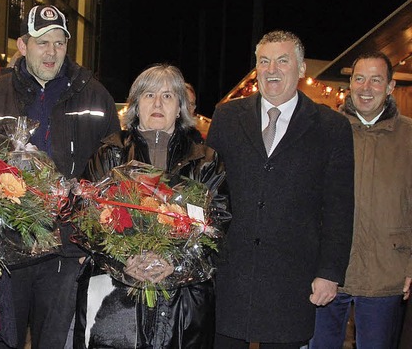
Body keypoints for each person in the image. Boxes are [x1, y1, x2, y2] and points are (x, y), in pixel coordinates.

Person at [0, 4, 121, 348]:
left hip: (66, 251)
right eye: (42, 42)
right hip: (6, 248)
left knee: (56, 341)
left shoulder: (96, 97)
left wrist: (89, 239)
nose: (52, 52)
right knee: (1, 338)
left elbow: (110, 175)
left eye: (59, 43)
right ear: (22, 45)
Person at [205, 30, 355, 348]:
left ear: (301, 69)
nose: (272, 69)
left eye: (282, 61)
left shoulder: (332, 128)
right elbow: (207, 191)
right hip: (231, 275)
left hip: (292, 281)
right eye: (264, 61)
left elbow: (339, 207)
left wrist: (330, 271)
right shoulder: (227, 116)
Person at [74, 64, 226, 348]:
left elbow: (218, 224)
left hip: (183, 301)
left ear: (180, 107)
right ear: (135, 105)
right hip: (115, 297)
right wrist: (124, 261)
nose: (158, 103)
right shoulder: (110, 153)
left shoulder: (205, 160)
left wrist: (176, 262)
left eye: (168, 96)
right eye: (149, 95)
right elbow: (85, 216)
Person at [309, 51, 412, 349]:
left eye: (376, 80)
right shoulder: (326, 130)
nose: (366, 88)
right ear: (350, 83)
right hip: (329, 272)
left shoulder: (408, 136)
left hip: (386, 271)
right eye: (360, 79)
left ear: (391, 86)